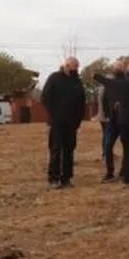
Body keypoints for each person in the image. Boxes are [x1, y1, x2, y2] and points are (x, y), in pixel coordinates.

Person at [41, 58, 86, 188]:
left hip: (72, 124)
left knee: (69, 151)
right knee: (55, 150)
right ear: (66, 66)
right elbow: (45, 98)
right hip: (57, 123)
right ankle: (53, 179)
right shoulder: (54, 78)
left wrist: (78, 120)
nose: (75, 70)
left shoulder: (77, 81)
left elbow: (82, 102)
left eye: (77, 68)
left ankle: (66, 178)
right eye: (73, 68)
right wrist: (54, 115)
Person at [93, 61, 125, 183]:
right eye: (116, 67)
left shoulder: (127, 82)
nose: (118, 69)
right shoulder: (110, 83)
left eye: (120, 67)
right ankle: (110, 172)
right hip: (112, 119)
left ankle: (123, 171)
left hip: (124, 119)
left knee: (126, 146)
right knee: (107, 145)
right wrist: (105, 115)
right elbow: (104, 101)